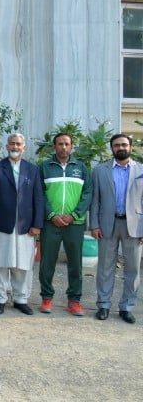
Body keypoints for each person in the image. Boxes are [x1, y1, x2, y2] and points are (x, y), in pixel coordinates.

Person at [0, 133, 44, 315]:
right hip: (1, 224)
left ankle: (21, 298)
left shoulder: (32, 169)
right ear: (7, 146)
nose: (15, 147)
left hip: (26, 226)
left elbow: (38, 199)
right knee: (0, 263)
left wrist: (37, 224)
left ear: (24, 147)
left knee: (23, 264)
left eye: (18, 144)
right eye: (12, 144)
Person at [90, 133, 143, 324]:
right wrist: (94, 225)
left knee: (133, 269)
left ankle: (127, 307)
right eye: (116, 145)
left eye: (124, 145)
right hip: (107, 225)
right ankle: (103, 305)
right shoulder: (100, 171)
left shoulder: (140, 169)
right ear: (111, 148)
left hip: (134, 226)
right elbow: (95, 200)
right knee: (105, 267)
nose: (121, 148)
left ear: (131, 147)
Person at [38, 133, 92, 316]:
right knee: (47, 263)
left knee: (75, 263)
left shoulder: (81, 167)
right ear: (54, 146)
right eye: (60, 144)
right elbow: (40, 194)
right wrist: (52, 215)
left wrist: (74, 215)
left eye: (67, 144)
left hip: (74, 224)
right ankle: (46, 298)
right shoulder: (45, 167)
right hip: (50, 223)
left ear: (72, 146)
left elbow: (88, 194)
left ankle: (74, 301)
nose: (63, 147)